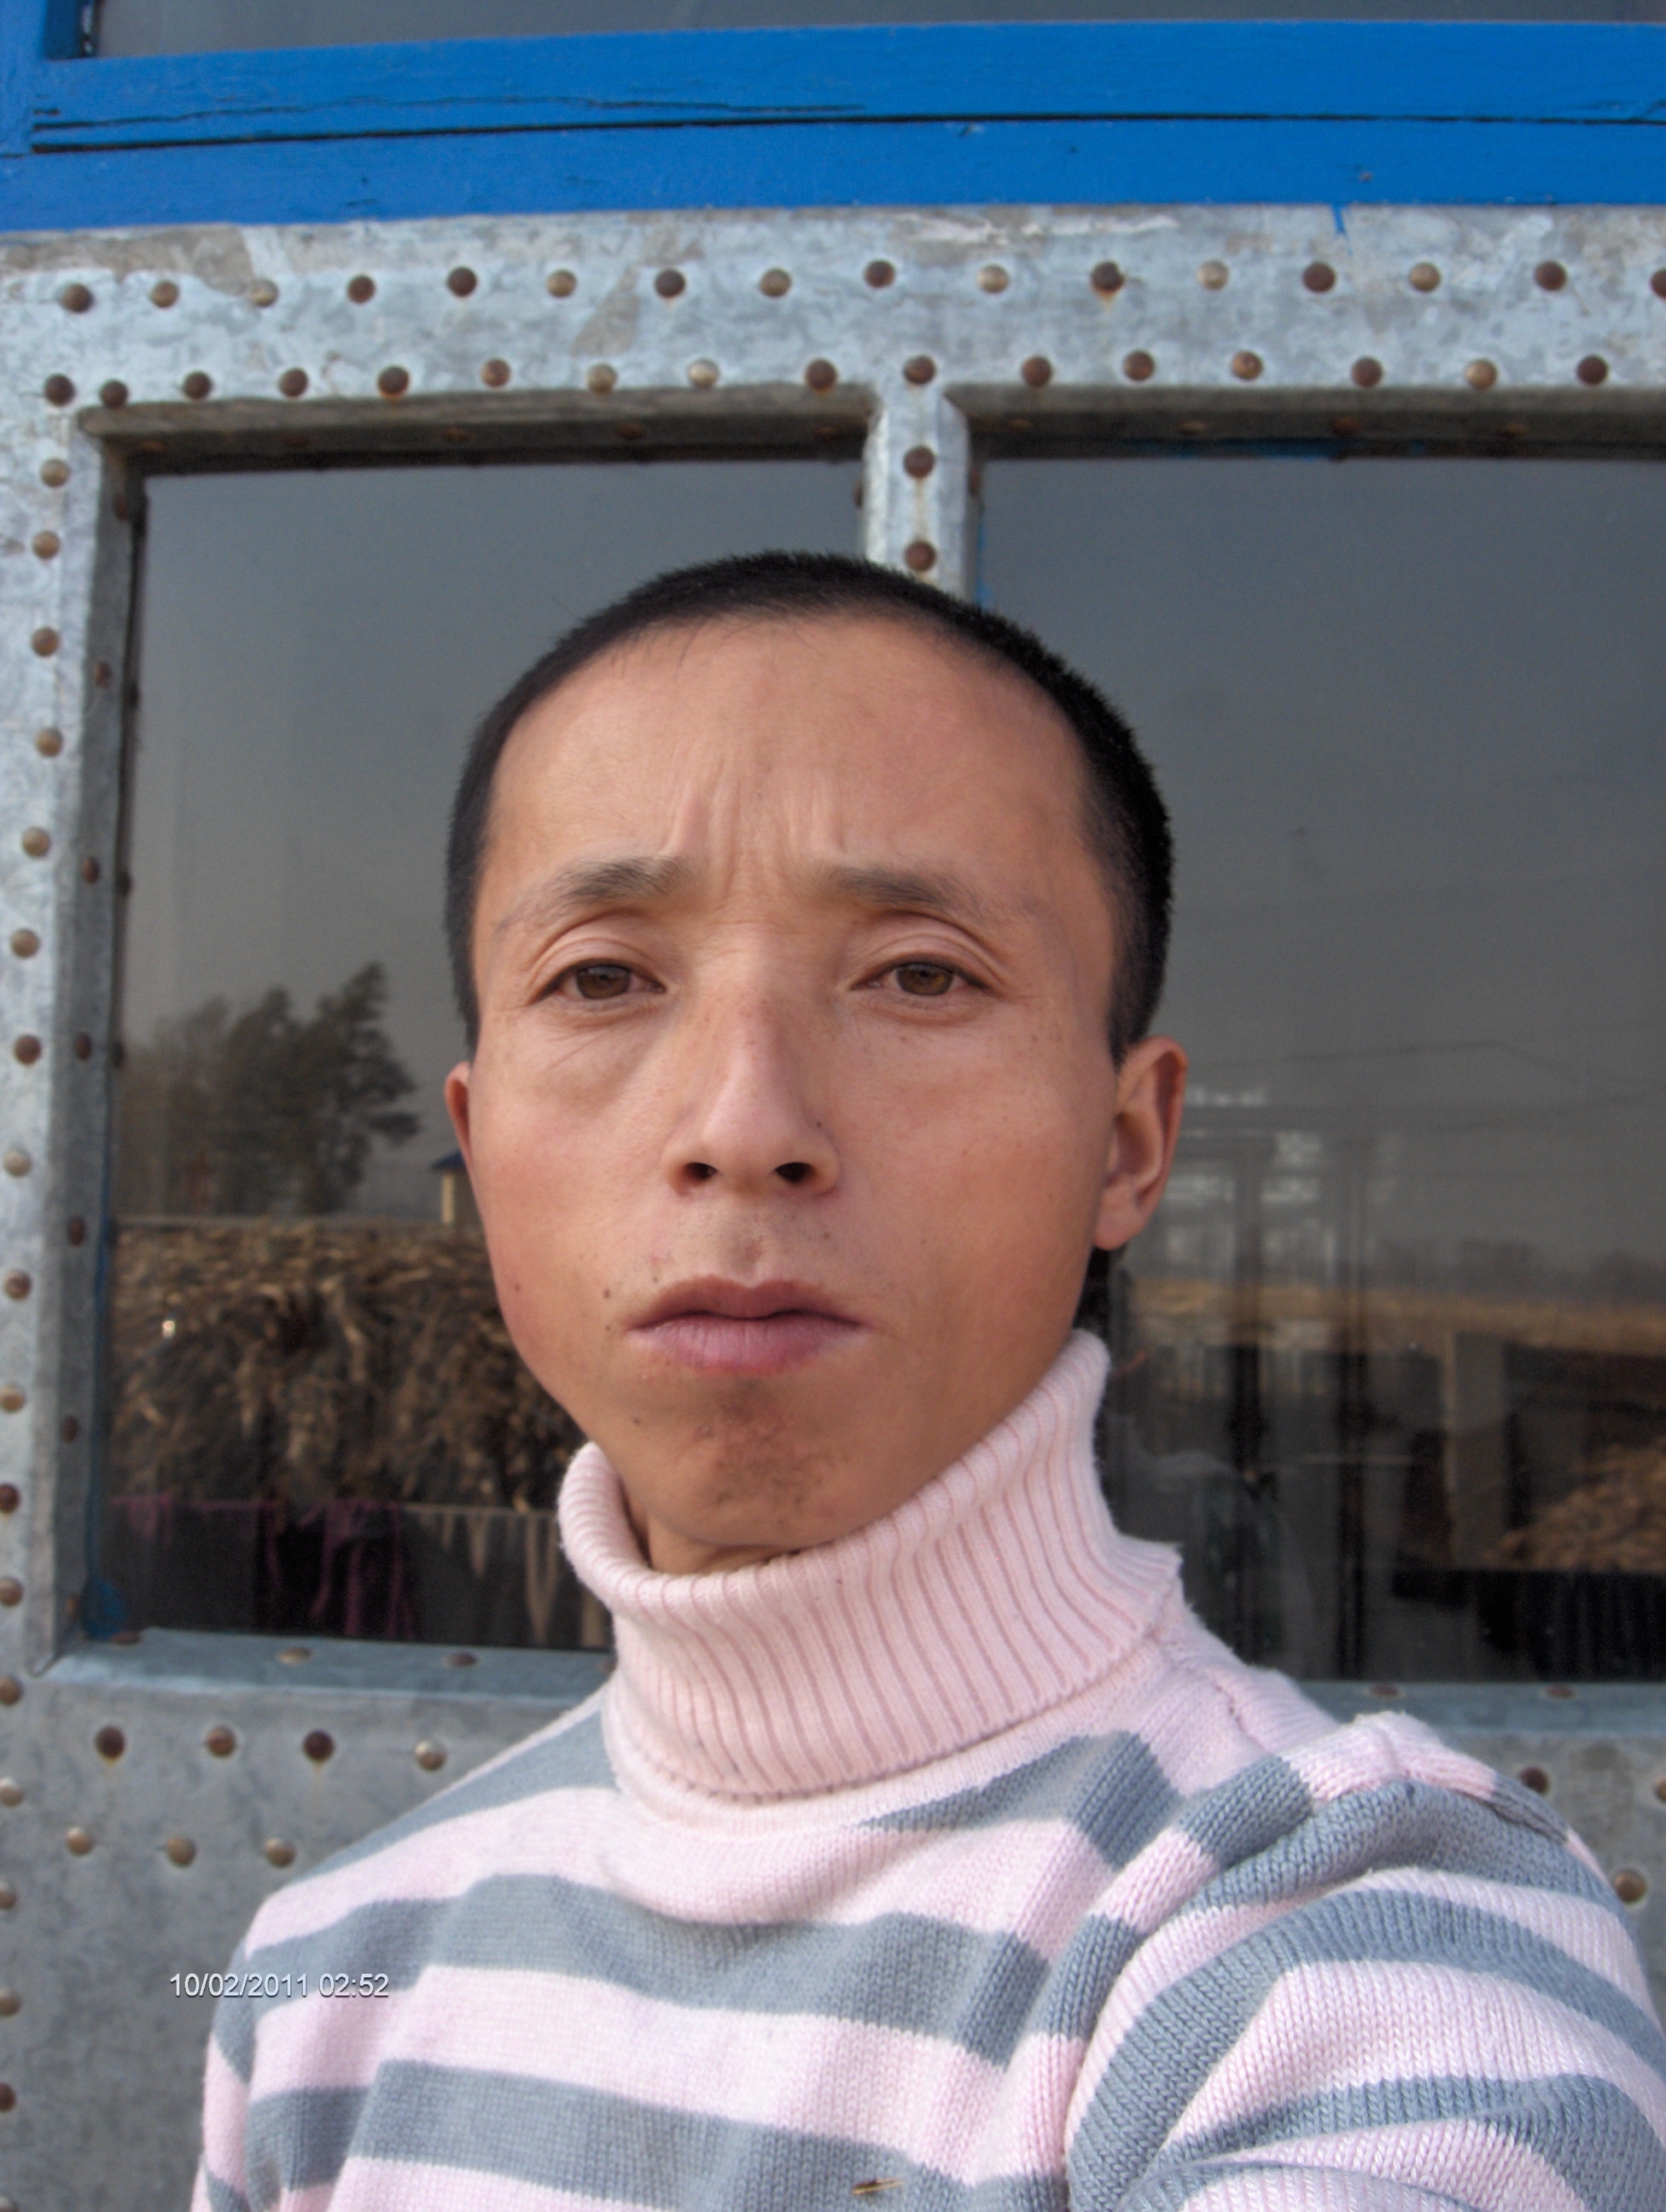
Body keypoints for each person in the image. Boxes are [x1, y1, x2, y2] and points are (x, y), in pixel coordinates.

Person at [195, 552, 1666, 2212]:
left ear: (1127, 1146)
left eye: (920, 973)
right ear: (476, 1150)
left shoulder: (1361, 1933)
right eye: (602, 976)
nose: (743, 1124)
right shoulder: (322, 1984)